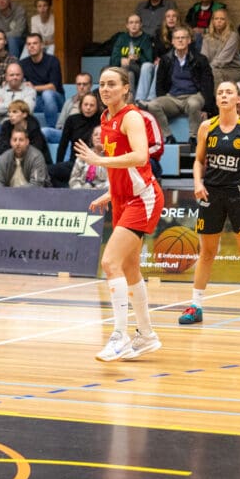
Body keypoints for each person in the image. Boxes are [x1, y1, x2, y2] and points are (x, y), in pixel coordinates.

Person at [74, 66, 164, 362]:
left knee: (110, 262)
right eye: (102, 84)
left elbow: (140, 156)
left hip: (143, 198)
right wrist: (110, 192)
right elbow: (122, 168)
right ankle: (147, 335)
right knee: (129, 267)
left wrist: (98, 160)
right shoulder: (105, 118)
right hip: (123, 199)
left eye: (112, 84)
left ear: (126, 88)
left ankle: (120, 336)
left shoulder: (132, 117)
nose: (105, 89)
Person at [177, 81, 240, 329]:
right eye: (220, 92)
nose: (224, 95)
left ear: (238, 99)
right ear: (216, 100)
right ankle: (196, 305)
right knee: (206, 252)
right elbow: (198, 161)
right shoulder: (207, 127)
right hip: (212, 194)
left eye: (229, 92)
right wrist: (197, 182)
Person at [148, 26, 215, 144]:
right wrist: (163, 98)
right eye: (177, 38)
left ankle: (194, 138)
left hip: (193, 96)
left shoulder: (200, 59)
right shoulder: (166, 59)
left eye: (183, 38)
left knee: (194, 103)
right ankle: (168, 136)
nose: (180, 40)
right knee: (153, 105)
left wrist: (206, 108)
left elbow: (208, 84)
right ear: (172, 41)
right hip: (173, 98)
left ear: (189, 40)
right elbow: (160, 84)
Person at [0, 123, 48, 187]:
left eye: (21, 140)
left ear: (27, 142)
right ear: (10, 142)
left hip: (33, 193)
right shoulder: (5, 157)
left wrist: (16, 191)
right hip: (10, 192)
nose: (17, 143)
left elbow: (37, 184)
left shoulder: (36, 157)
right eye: (14, 140)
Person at [199, 9, 240, 86]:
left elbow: (223, 59)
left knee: (213, 73)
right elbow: (204, 57)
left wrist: (207, 70)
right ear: (213, 21)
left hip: (230, 70)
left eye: (222, 19)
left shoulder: (232, 36)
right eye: (216, 19)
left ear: (227, 21)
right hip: (212, 68)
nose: (219, 21)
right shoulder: (207, 37)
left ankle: (216, 94)